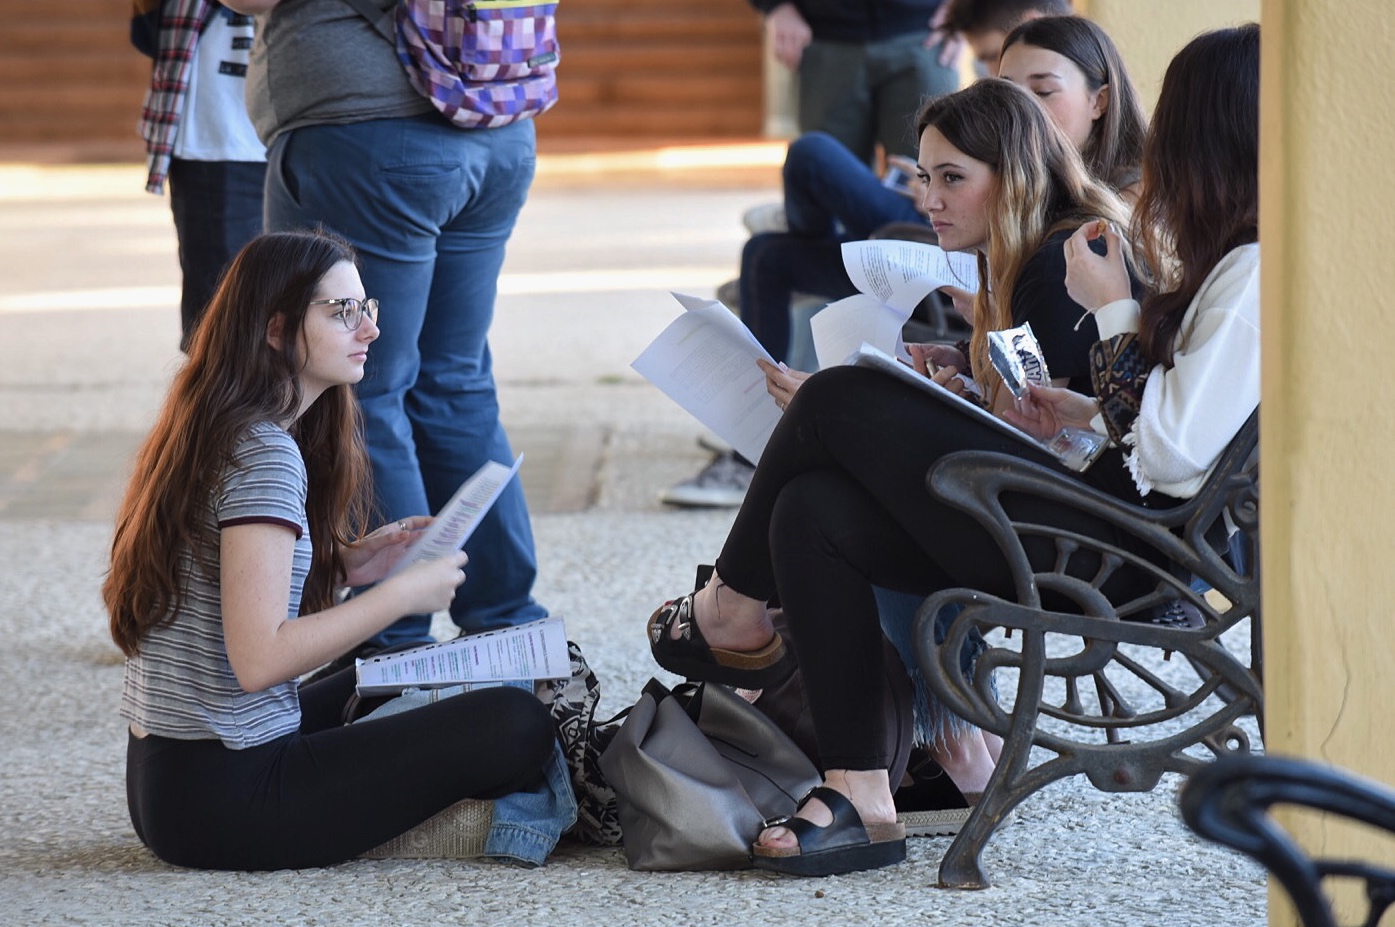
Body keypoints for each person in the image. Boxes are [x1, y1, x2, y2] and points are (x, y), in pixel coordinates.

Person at [646, 16, 1259, 877]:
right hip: (1093, 522)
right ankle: (860, 791)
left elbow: (1158, 449)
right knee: (812, 508)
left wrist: (1114, 309)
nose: (1156, 155)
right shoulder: (1220, 266)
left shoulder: (1145, 266)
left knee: (837, 399)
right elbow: (1144, 427)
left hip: (1114, 553)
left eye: (948, 177)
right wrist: (1028, 403)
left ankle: (732, 612)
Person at [104, 230, 557, 871]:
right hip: (227, 797)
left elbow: (226, 584)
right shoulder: (264, 454)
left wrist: (348, 566)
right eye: (342, 311)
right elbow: (260, 659)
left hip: (172, 777)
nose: (368, 329)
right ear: (275, 328)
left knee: (412, 668)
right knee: (516, 722)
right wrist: (399, 595)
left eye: (367, 307)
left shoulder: (218, 422)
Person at [228, 0, 550, 652]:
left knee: (359, 383)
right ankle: (507, 620)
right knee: (453, 379)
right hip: (497, 122)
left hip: (366, 132)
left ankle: (392, 640)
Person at [134, 0, 267, 351]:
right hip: (216, 140)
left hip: (295, 128)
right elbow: (147, 33)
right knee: (217, 306)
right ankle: (216, 402)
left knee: (305, 289)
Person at [753, 0, 960, 167]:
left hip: (927, 34)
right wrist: (776, 5)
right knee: (831, 181)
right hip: (825, 38)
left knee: (931, 177)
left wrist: (967, 7)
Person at [998, 14, 1147, 202]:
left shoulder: (1136, 199)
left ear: (1099, 101)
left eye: (1043, 92)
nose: (1019, 108)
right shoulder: (998, 183)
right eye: (1006, 93)